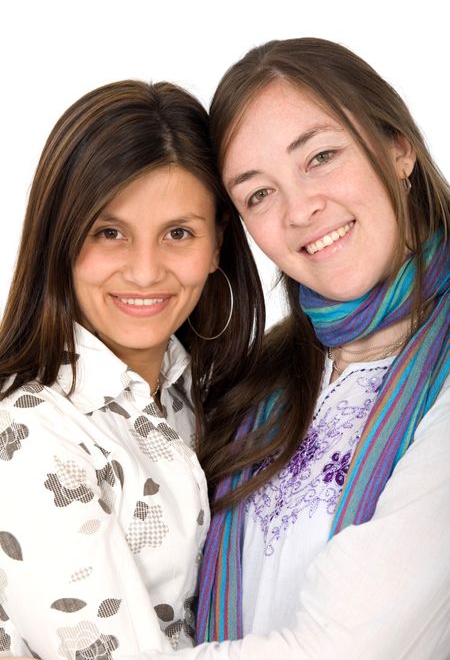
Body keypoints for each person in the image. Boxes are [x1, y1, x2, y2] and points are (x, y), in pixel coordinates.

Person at [148, 38, 450, 659]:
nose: (301, 209)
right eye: (258, 193)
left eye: (320, 157)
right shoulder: (255, 381)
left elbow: (341, 647)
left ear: (399, 148)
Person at [0, 79, 264, 658]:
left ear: (218, 242)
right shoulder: (28, 436)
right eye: (110, 233)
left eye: (178, 233)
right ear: (60, 240)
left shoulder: (196, 394)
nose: (145, 272)